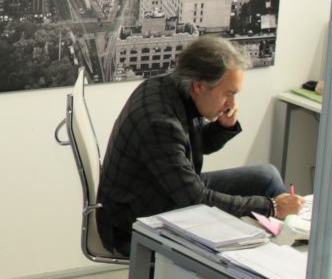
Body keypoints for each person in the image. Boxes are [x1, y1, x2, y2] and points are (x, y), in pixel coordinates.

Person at [94, 35, 302, 258]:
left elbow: (189, 146)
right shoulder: (159, 123)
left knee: (266, 176)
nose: (232, 104)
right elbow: (196, 199)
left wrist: (223, 127)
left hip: (163, 191)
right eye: (228, 94)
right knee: (260, 208)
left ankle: (290, 240)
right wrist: (271, 207)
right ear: (199, 86)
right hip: (135, 222)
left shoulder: (170, 88)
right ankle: (279, 257)